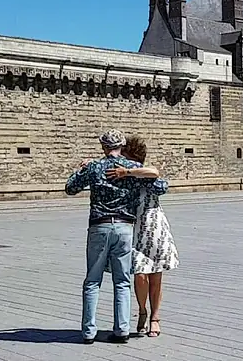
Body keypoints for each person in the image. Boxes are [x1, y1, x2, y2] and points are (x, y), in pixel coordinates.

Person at [65, 130, 168, 345]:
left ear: (103, 146)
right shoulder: (131, 168)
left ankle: (88, 332)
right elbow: (161, 186)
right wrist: (134, 173)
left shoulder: (94, 166)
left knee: (92, 280)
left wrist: (81, 169)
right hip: (124, 228)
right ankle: (122, 330)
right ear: (121, 146)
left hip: (99, 227)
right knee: (121, 281)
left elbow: (70, 188)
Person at [106, 136, 178, 338]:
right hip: (133, 228)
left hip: (154, 228)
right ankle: (142, 310)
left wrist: (129, 172)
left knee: (156, 275)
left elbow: (157, 178)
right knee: (139, 273)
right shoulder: (122, 177)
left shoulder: (144, 175)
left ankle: (155, 317)